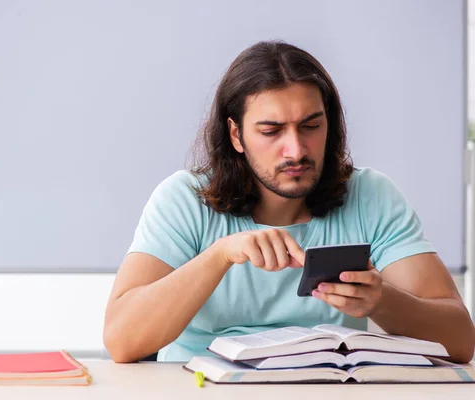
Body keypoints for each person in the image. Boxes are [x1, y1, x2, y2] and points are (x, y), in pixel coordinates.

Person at [103, 41, 475, 363]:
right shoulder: (184, 199)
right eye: (271, 130)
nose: (296, 150)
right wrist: (219, 255)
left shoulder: (370, 195)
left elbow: (461, 341)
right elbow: (122, 340)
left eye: (311, 126)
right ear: (236, 134)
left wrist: (381, 301)